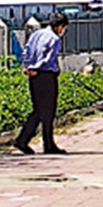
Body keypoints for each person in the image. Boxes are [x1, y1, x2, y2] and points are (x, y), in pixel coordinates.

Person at [14, 10, 70, 154]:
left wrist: (28, 67)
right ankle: (43, 143)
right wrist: (36, 67)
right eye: (63, 28)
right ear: (60, 26)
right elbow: (48, 59)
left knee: (38, 109)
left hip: (33, 76)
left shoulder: (36, 34)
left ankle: (26, 140)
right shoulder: (55, 39)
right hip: (46, 75)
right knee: (48, 111)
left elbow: (26, 51)